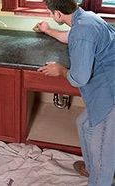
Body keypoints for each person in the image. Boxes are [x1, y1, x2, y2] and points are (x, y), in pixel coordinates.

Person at [33, 0, 115, 185]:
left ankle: (98, 176)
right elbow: (68, 36)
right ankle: (90, 168)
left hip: (110, 96)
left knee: (103, 158)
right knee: (83, 124)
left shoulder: (82, 31)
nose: (50, 15)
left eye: (50, 12)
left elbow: (79, 78)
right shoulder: (86, 18)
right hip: (108, 83)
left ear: (57, 14)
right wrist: (46, 30)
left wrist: (60, 70)